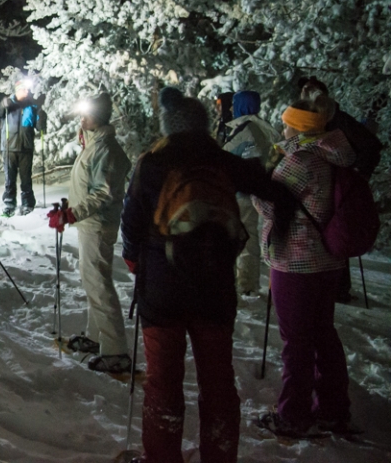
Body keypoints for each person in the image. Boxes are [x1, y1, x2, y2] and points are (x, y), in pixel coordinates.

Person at [121, 88, 292, 463]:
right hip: (215, 288)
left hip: (162, 290)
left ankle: (162, 457)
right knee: (217, 381)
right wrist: (278, 238)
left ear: (168, 126)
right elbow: (278, 192)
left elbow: (131, 226)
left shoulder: (152, 163)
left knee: (163, 382)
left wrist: (136, 263)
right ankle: (219, 455)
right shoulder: (223, 161)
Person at [252, 94, 358, 438]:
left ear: (297, 125)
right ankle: (332, 408)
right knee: (323, 334)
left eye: (286, 121)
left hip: (296, 262)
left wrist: (256, 186)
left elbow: (274, 206)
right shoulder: (331, 152)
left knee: (296, 341)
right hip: (326, 260)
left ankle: (293, 414)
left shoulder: (300, 160)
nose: (282, 126)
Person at [47, 93, 132, 373]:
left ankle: (116, 350)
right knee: (93, 281)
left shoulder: (106, 149)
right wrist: (67, 209)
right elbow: (86, 186)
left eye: (88, 114)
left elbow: (103, 192)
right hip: (89, 223)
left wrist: (73, 213)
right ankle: (97, 338)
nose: (82, 118)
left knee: (98, 283)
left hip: (98, 225)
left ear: (101, 117)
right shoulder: (94, 144)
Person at [299, 77, 383, 303]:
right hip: (323, 183)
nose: (306, 93)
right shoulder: (310, 119)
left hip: (338, 185)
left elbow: (371, 146)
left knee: (336, 230)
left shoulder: (338, 119)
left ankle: (339, 287)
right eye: (304, 90)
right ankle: (330, 284)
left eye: (311, 89)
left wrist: (357, 174)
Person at [221, 90, 281, 295]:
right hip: (251, 191)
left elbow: (227, 156)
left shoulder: (247, 131)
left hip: (243, 194)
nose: (230, 109)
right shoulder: (260, 128)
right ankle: (246, 282)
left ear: (241, 106)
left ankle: (246, 285)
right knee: (248, 236)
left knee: (245, 238)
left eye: (233, 104)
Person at [0, 79, 47, 216]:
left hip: (26, 147)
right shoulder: (8, 104)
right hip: (9, 147)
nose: (26, 92)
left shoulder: (32, 107)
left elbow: (39, 128)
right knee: (10, 178)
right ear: (17, 90)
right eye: (23, 89)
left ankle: (28, 203)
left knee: (26, 177)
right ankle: (9, 202)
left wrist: (42, 120)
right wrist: (2, 106)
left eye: (27, 90)